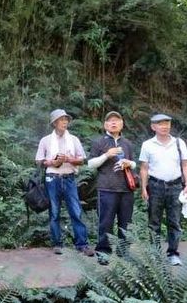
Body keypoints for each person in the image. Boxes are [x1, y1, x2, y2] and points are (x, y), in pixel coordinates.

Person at [35, 109, 94, 257]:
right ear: (54, 123)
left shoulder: (73, 139)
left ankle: (82, 244)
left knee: (76, 211)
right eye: (61, 120)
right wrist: (52, 162)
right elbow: (39, 161)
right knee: (54, 212)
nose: (65, 122)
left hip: (69, 178)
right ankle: (57, 244)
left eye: (66, 119)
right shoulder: (45, 140)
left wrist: (68, 159)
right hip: (52, 178)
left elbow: (81, 160)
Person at [139, 113, 187, 266]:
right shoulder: (147, 145)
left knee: (174, 221)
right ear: (153, 127)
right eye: (160, 124)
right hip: (155, 186)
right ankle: (155, 255)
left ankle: (173, 253)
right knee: (154, 222)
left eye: (167, 123)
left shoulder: (179, 143)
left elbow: (185, 164)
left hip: (175, 186)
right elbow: (144, 168)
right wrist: (143, 188)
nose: (164, 126)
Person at [87, 111, 137, 265]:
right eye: (110, 121)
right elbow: (90, 164)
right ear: (105, 125)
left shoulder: (127, 143)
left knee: (126, 223)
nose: (113, 123)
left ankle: (124, 253)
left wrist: (129, 163)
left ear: (122, 124)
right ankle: (103, 253)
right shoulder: (99, 142)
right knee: (105, 223)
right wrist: (106, 155)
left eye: (117, 120)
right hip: (106, 189)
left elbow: (134, 163)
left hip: (126, 189)